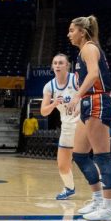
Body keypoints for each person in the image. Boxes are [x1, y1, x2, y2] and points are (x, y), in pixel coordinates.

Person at [63, 17, 111, 221]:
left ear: (82, 32)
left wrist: (77, 96)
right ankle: (97, 199)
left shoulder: (88, 47)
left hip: (96, 101)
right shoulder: (83, 51)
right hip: (90, 102)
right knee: (79, 155)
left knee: (102, 156)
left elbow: (95, 76)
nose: (69, 34)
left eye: (72, 30)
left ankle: (108, 207)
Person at [40, 53, 80, 199]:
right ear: (52, 66)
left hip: (82, 124)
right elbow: (44, 112)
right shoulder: (49, 86)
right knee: (62, 165)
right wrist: (54, 103)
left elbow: (89, 93)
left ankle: (99, 191)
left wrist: (79, 105)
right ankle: (69, 188)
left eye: (61, 63)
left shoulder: (75, 79)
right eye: (55, 63)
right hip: (67, 126)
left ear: (67, 65)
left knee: (84, 159)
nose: (57, 65)